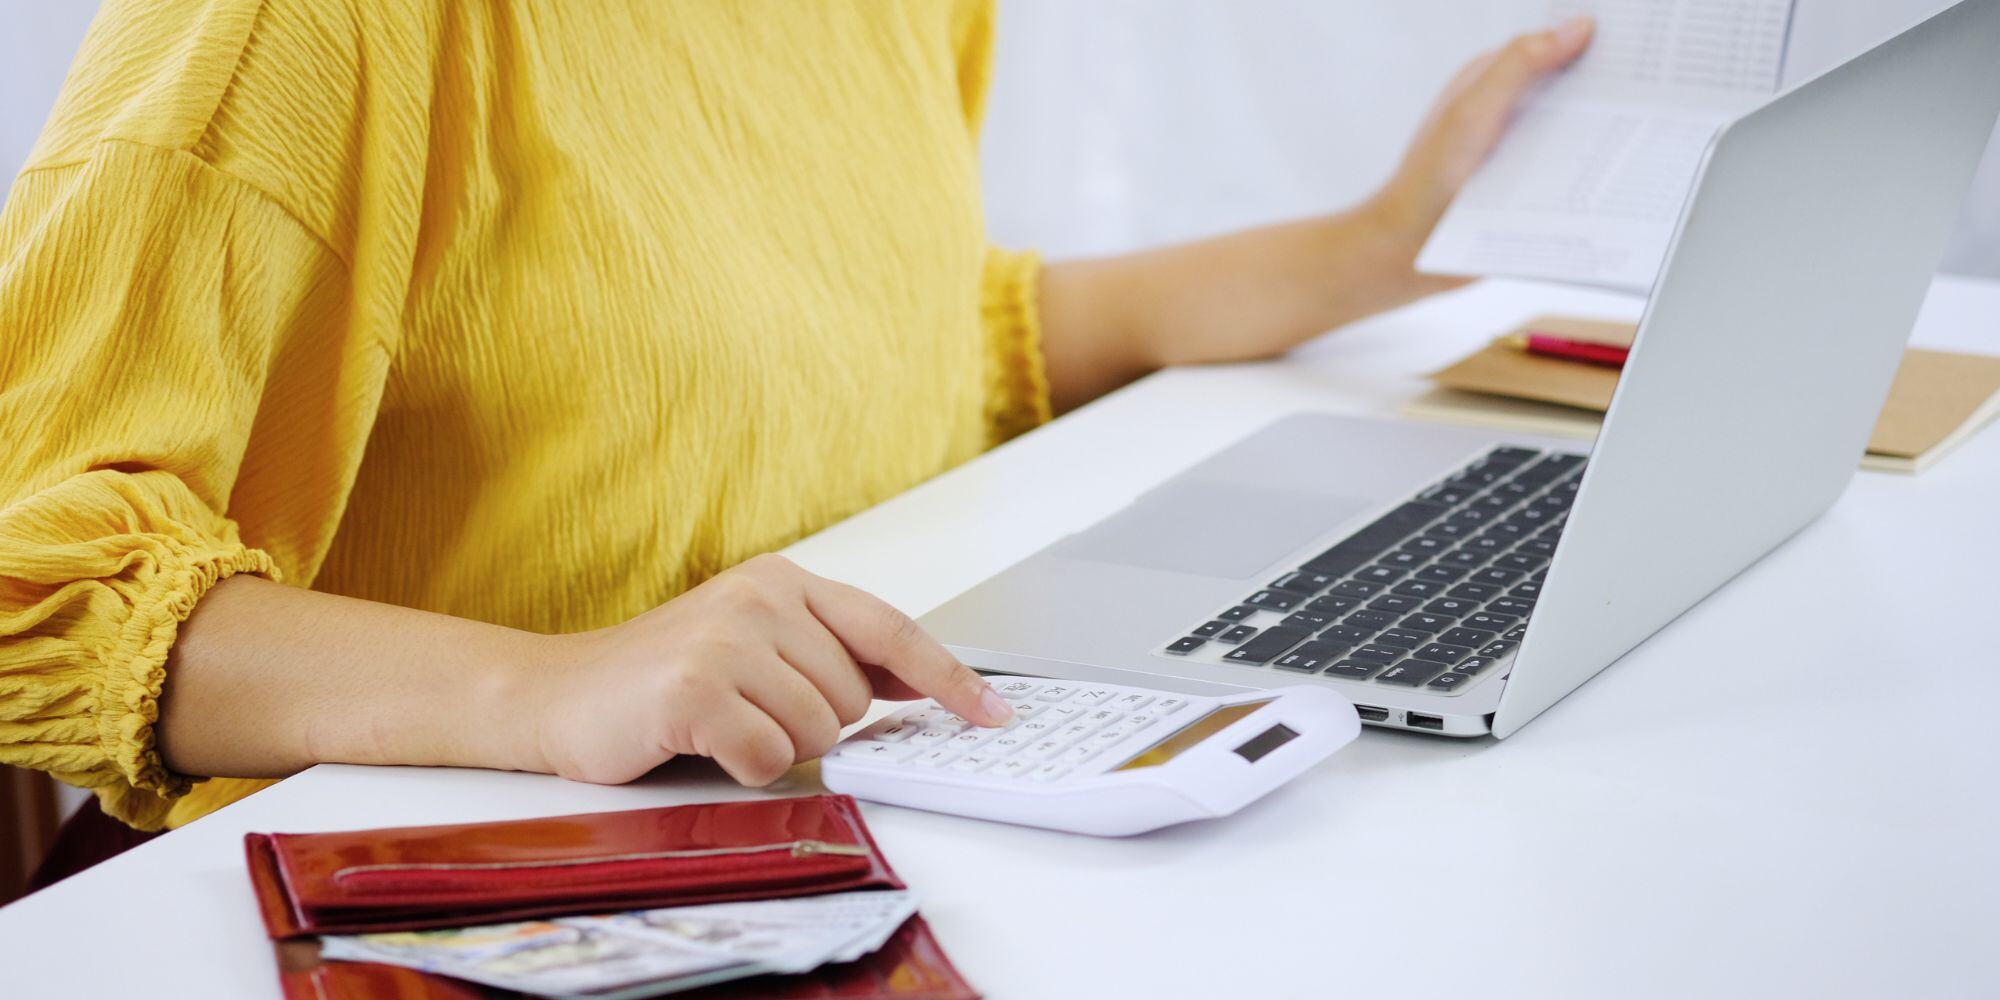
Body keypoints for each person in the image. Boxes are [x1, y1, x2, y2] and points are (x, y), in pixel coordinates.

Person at [0, 1, 1591, 836]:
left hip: (848, 813)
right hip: (476, 891)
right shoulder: (296, 22)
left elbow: (905, 335)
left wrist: (1381, 243)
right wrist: (552, 687)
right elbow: (31, 582)